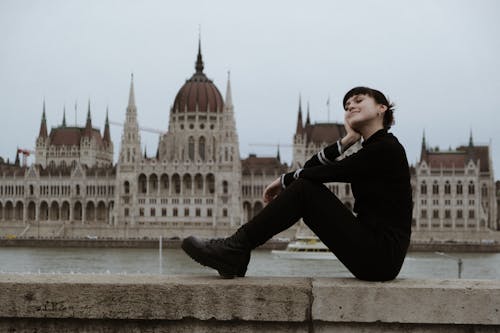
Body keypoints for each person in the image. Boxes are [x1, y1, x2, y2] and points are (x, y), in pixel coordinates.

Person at [182, 86, 413, 281]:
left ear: (382, 108)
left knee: (304, 189)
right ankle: (236, 249)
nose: (350, 106)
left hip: (380, 257)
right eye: (347, 105)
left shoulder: (386, 148)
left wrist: (284, 180)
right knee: (305, 187)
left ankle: (235, 249)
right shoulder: (372, 148)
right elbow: (312, 168)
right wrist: (347, 140)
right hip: (373, 252)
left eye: (359, 100)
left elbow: (328, 172)